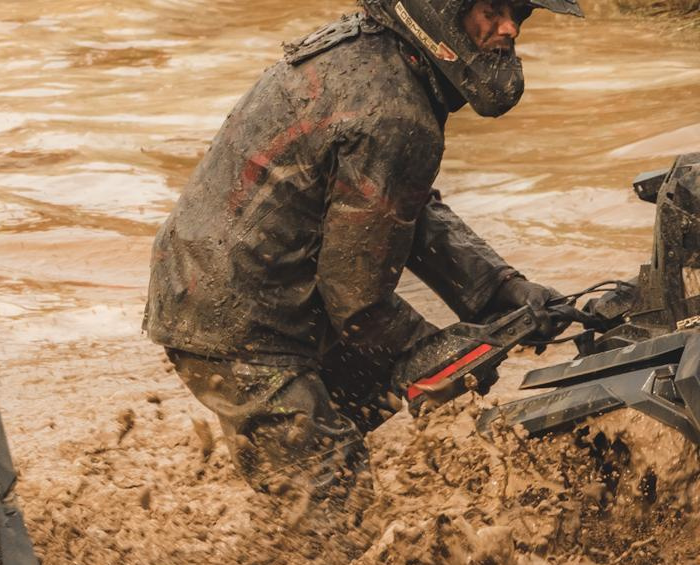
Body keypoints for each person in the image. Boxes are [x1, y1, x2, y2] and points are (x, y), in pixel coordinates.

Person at [143, 0, 581, 514]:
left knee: (340, 430)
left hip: (228, 287)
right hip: (239, 323)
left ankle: (278, 521)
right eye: (492, 8)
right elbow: (356, 299)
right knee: (336, 498)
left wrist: (500, 289)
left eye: (519, 14)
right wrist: (438, 351)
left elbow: (398, 206)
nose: (509, 28)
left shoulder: (373, 53)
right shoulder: (396, 113)